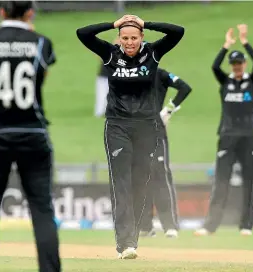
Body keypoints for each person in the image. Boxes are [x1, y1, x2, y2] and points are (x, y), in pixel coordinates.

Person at [76, 15, 184, 259]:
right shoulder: (110, 55)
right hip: (117, 126)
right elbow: (83, 33)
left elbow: (177, 30)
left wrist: (144, 23)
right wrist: (114, 24)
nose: (130, 42)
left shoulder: (153, 54)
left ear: (142, 38)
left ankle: (132, 237)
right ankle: (126, 243)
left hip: (147, 127)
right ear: (120, 39)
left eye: (134, 38)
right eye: (125, 38)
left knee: (140, 184)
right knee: (121, 183)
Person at [0, 2, 61, 271]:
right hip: (33, 132)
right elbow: (39, 79)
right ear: (30, 12)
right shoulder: (41, 42)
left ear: (1, 11)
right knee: (42, 210)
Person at [194, 24, 253, 237]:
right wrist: (226, 46)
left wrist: (245, 42)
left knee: (249, 182)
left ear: (244, 63)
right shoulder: (226, 82)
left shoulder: (252, 81)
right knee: (221, 182)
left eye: (239, 63)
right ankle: (210, 226)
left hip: (250, 136)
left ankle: (246, 225)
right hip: (227, 136)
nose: (236, 66)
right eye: (233, 64)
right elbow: (215, 67)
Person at [139, 68, 192, 238]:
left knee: (160, 177)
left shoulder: (159, 74)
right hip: (135, 133)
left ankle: (170, 226)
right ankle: (145, 227)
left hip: (156, 132)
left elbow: (184, 87)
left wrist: (168, 109)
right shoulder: (128, 73)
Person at [94, 38, 120, 117]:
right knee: (102, 95)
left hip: (112, 77)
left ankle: (102, 112)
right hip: (104, 76)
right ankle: (99, 112)